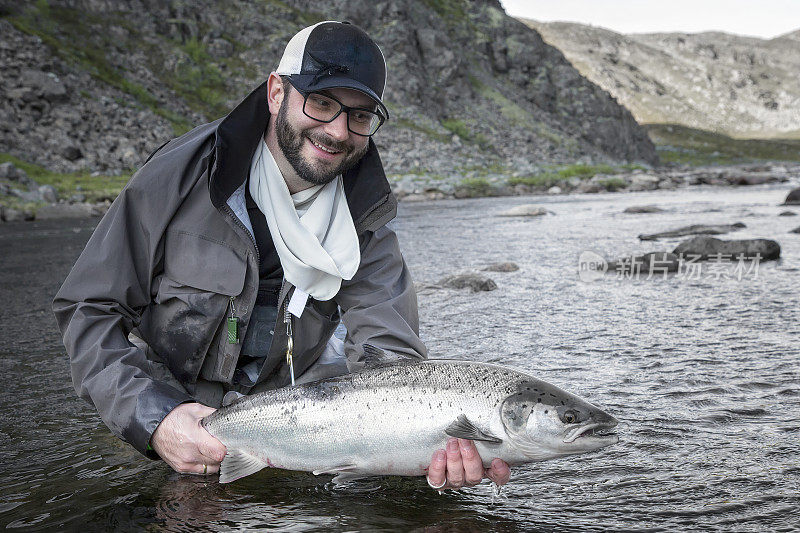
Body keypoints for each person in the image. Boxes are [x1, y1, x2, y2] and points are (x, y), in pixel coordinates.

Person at [53, 21, 510, 491]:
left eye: (360, 115)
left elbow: (389, 358)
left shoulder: (367, 218)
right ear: (276, 92)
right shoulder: (179, 176)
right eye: (322, 103)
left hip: (299, 435)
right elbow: (88, 309)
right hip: (169, 416)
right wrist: (155, 419)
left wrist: (428, 443)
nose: (337, 131)